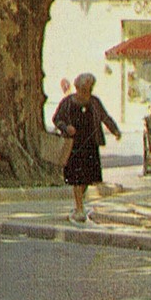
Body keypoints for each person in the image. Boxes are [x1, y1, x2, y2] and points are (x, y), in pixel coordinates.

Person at [52, 72, 121, 223]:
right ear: (77, 87)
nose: (86, 93)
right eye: (83, 89)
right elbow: (57, 119)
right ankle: (79, 208)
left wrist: (115, 130)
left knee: (88, 178)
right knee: (77, 178)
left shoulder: (94, 102)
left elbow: (104, 116)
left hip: (90, 144)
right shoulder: (68, 102)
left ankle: (79, 204)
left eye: (89, 89)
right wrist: (66, 127)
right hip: (74, 144)